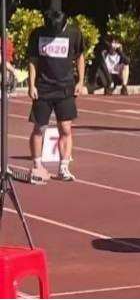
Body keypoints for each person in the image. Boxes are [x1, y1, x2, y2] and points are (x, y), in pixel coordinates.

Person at [27, 10, 86, 183]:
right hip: (43, 87)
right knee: (39, 128)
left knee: (65, 128)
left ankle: (63, 167)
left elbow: (80, 57)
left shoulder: (74, 33)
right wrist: (31, 85)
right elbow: (32, 60)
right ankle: (37, 165)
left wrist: (80, 81)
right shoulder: (37, 34)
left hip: (65, 88)